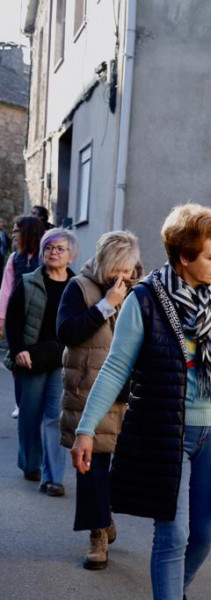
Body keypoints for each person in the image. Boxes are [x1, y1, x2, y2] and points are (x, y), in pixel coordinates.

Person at [70, 204, 211, 599]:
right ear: (184, 256)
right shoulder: (146, 300)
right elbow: (115, 368)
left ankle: (175, 590)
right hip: (167, 433)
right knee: (173, 535)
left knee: (205, 534)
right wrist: (85, 428)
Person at [57, 231, 142, 570]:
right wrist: (105, 305)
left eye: (128, 269)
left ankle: (104, 519)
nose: (121, 277)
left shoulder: (140, 291)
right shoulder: (79, 287)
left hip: (128, 397)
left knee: (117, 471)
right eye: (115, 269)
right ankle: (97, 535)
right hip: (89, 392)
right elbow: (66, 332)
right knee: (91, 468)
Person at [5, 228, 77, 493]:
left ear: (71, 255)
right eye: (49, 248)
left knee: (54, 418)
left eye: (59, 248)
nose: (53, 252)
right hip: (31, 359)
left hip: (61, 360)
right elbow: (13, 321)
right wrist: (18, 350)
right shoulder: (28, 281)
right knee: (29, 415)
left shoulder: (77, 285)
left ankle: (53, 477)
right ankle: (30, 463)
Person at [0, 215, 44, 419]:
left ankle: (37, 399)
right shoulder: (14, 258)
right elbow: (6, 289)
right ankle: (21, 402)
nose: (13, 234)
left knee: (36, 358)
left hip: (40, 316)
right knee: (15, 361)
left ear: (27, 233)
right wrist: (2, 317)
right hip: (17, 317)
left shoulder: (43, 257)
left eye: (16, 231)